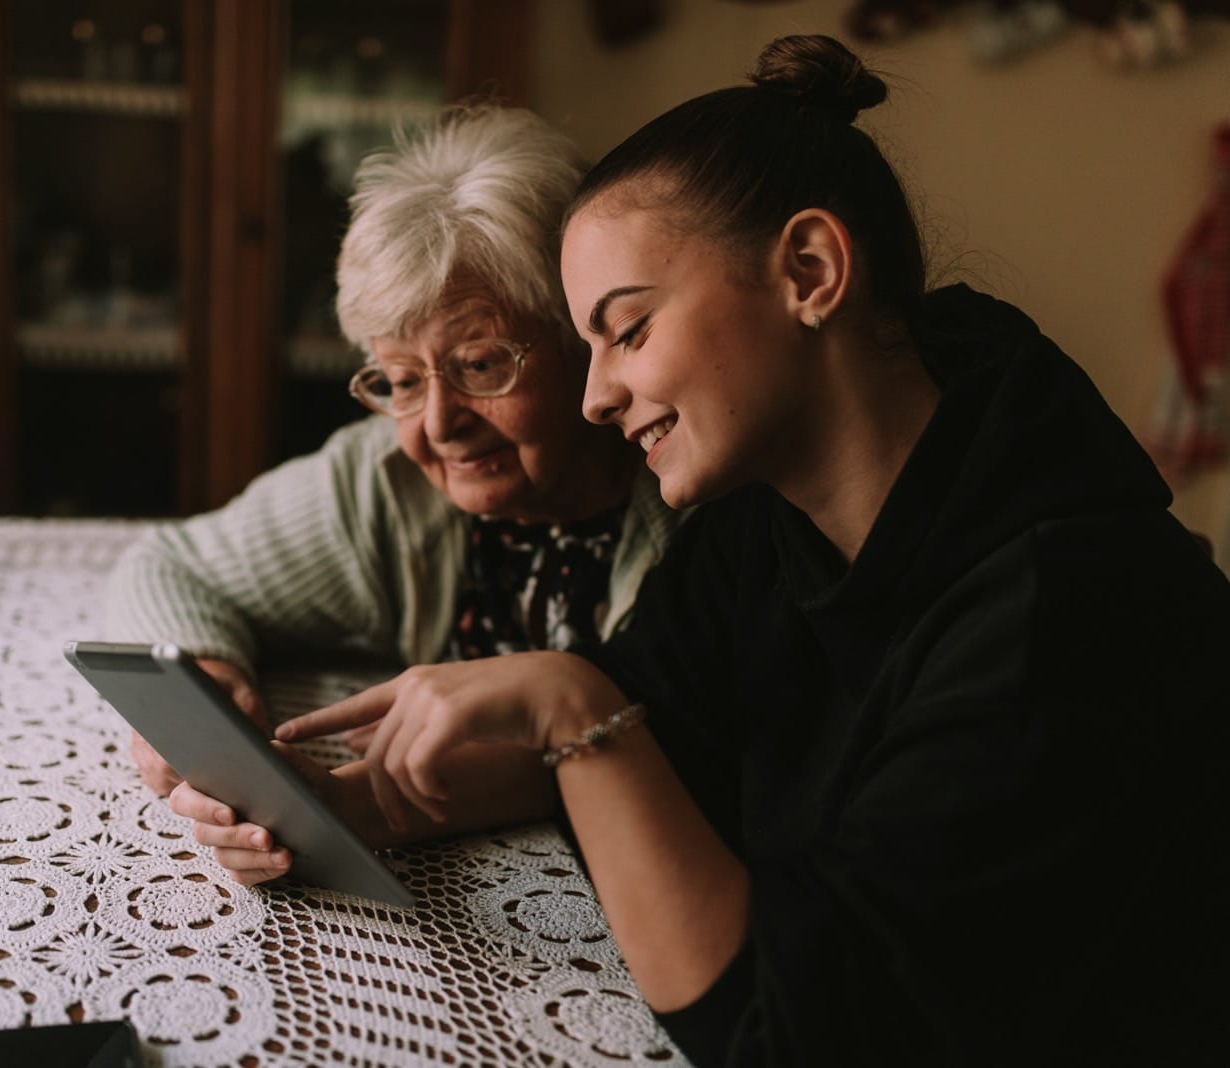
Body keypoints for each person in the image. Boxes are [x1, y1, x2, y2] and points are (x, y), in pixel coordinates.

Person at [267, 35, 1230, 1066]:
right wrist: (323, 808)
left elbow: (788, 1037)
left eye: (625, 331)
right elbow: (651, 718)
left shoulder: (1066, 613)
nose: (594, 396)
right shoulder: (764, 521)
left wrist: (571, 707)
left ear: (809, 272)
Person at [104, 105, 681, 867]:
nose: (438, 425)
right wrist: (206, 678)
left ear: (585, 337)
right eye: (401, 380)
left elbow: (683, 735)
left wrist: (375, 798)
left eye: (480, 365)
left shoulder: (688, 497)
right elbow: (171, 565)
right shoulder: (383, 482)